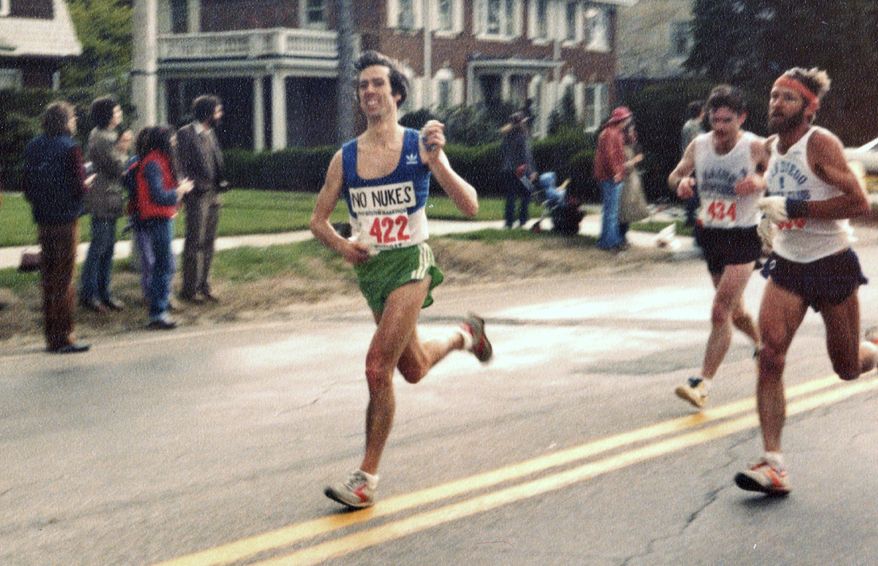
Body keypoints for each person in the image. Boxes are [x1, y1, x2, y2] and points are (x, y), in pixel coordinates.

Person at [311, 50, 493, 509]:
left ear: (396, 93)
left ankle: (365, 478)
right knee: (410, 369)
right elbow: (318, 221)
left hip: (411, 264)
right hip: (373, 272)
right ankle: (465, 335)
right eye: (363, 86)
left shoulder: (419, 145)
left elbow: (470, 205)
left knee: (377, 368)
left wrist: (438, 163)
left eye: (378, 84)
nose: (369, 92)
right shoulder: (345, 157)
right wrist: (344, 247)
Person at [734, 67, 878, 495]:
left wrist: (795, 208)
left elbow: (858, 202)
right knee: (771, 354)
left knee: (848, 367)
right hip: (788, 263)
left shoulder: (821, 144)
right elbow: (767, 185)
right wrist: (765, 214)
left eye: (787, 98)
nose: (776, 104)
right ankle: (773, 464)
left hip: (832, 262)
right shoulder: (767, 147)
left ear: (809, 108)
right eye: (774, 96)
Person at [667, 85, 767, 409]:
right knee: (735, 312)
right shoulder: (699, 145)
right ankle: (763, 347)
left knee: (719, 310)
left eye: (727, 120)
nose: (720, 127)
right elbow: (675, 174)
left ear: (742, 118)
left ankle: (703, 383)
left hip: (743, 235)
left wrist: (759, 182)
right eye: (715, 119)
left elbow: (778, 173)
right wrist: (681, 183)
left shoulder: (753, 147)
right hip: (713, 234)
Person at [22, 101, 92, 353]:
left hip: (43, 219)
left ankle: (51, 335)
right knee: (65, 279)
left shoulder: (33, 147)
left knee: (49, 279)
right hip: (65, 220)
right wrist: (87, 184)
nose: (74, 122)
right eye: (72, 118)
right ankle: (64, 336)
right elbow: (78, 187)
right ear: (66, 121)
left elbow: (27, 186)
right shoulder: (71, 148)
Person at [133, 126, 193, 329]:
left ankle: (160, 307)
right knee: (164, 264)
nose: (175, 143)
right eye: (172, 139)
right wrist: (179, 191)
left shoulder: (158, 160)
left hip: (162, 216)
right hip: (157, 217)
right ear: (164, 141)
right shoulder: (154, 162)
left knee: (165, 264)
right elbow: (157, 195)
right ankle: (157, 312)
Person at [79, 96, 132, 313]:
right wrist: (123, 148)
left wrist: (120, 146)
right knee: (99, 247)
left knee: (108, 248)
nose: (119, 114)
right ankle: (90, 294)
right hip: (102, 197)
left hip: (110, 197)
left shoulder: (108, 135)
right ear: (107, 115)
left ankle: (104, 292)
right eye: (116, 111)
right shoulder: (101, 138)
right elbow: (118, 168)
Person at [177, 94, 225, 304]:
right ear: (207, 113)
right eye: (217, 110)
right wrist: (189, 188)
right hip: (197, 195)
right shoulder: (186, 134)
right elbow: (181, 166)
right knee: (194, 242)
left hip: (213, 193)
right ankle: (189, 288)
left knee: (209, 242)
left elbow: (215, 161)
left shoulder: (210, 133)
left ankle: (203, 284)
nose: (219, 114)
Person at [593, 106, 633, 250]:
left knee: (609, 211)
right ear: (621, 119)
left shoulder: (613, 132)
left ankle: (607, 240)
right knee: (612, 212)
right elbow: (609, 155)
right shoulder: (611, 133)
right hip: (610, 176)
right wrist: (616, 172)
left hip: (608, 175)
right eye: (627, 118)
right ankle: (610, 242)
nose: (629, 120)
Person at [500, 111, 536, 229]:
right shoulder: (522, 137)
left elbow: (503, 152)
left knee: (510, 196)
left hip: (508, 169)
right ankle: (522, 220)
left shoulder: (506, 136)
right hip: (522, 172)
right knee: (527, 193)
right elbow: (526, 156)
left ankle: (509, 222)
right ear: (521, 122)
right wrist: (531, 172)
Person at [618, 121, 648, 245]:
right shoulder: (619, 143)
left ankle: (624, 235)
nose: (632, 133)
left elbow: (640, 155)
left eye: (633, 131)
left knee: (629, 208)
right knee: (622, 209)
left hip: (632, 179)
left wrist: (633, 161)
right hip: (622, 179)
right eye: (630, 131)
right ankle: (620, 236)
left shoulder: (634, 144)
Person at [681, 100, 706, 227]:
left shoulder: (690, 125)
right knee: (693, 190)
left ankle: (691, 216)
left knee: (693, 190)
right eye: (703, 110)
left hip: (692, 163)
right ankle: (690, 217)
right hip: (694, 163)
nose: (705, 113)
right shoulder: (694, 127)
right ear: (700, 112)